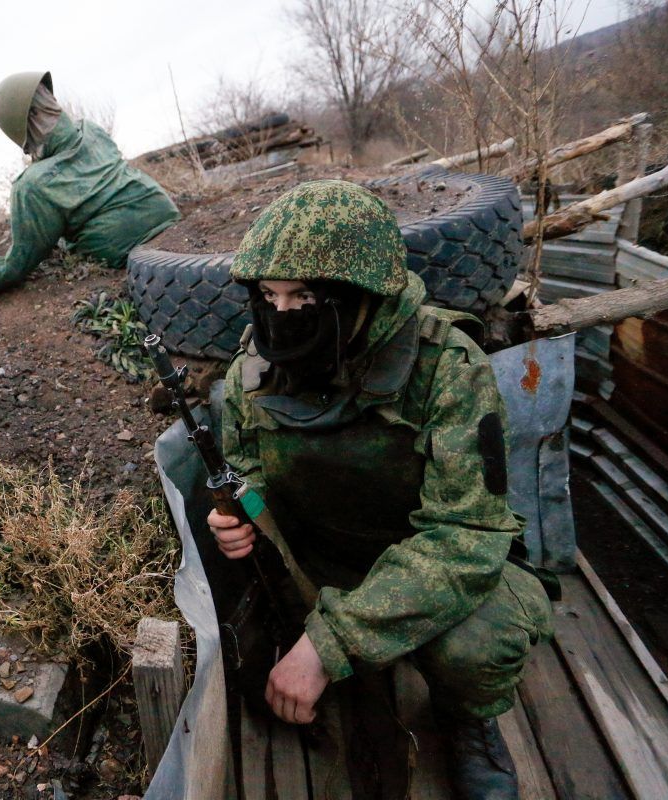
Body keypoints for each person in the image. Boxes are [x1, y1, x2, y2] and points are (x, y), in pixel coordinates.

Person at [207, 180, 554, 800]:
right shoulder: (252, 373)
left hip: (436, 557)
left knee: (477, 648)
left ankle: (469, 720)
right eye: (270, 296)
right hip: (320, 556)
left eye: (305, 296)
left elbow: (466, 533)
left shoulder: (446, 367)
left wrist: (328, 643)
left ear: (364, 294)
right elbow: (246, 469)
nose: (283, 315)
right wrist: (241, 515)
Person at [0, 71, 180, 298]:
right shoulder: (91, 129)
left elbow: (15, 266)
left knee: (66, 245)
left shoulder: (32, 185)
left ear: (21, 127)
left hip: (122, 243)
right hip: (163, 209)